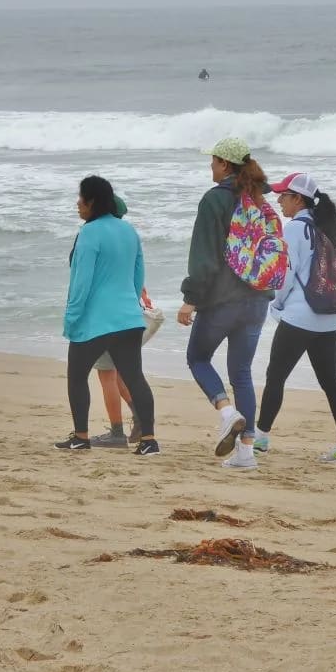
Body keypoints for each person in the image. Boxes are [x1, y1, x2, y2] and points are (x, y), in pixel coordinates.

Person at [178, 138, 273, 470]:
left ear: (224, 164)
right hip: (258, 298)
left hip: (222, 301)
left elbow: (204, 257)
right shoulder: (258, 199)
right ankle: (246, 453)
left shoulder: (214, 199)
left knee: (198, 358)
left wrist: (190, 299)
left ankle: (227, 412)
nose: (210, 166)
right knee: (242, 373)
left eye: (214, 160)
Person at [256, 172, 336, 462]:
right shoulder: (328, 227)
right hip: (330, 319)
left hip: (299, 318)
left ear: (298, 199)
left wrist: (276, 305)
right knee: (331, 383)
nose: (279, 201)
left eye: (283, 196)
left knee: (275, 377)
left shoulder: (295, 229)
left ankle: (260, 439)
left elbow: (286, 274)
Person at [60, 176, 159, 455]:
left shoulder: (89, 233)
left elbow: (81, 282)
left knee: (76, 377)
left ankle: (81, 436)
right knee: (135, 378)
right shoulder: (129, 231)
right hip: (129, 319)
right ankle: (149, 440)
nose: (78, 203)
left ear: (92, 201)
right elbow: (138, 276)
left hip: (95, 321)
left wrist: (72, 318)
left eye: (81, 198)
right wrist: (131, 305)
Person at [88, 195, 165, 448]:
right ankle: (139, 419)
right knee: (122, 372)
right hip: (129, 315)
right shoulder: (128, 237)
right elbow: (136, 276)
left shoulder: (98, 237)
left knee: (106, 374)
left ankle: (117, 432)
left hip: (106, 316)